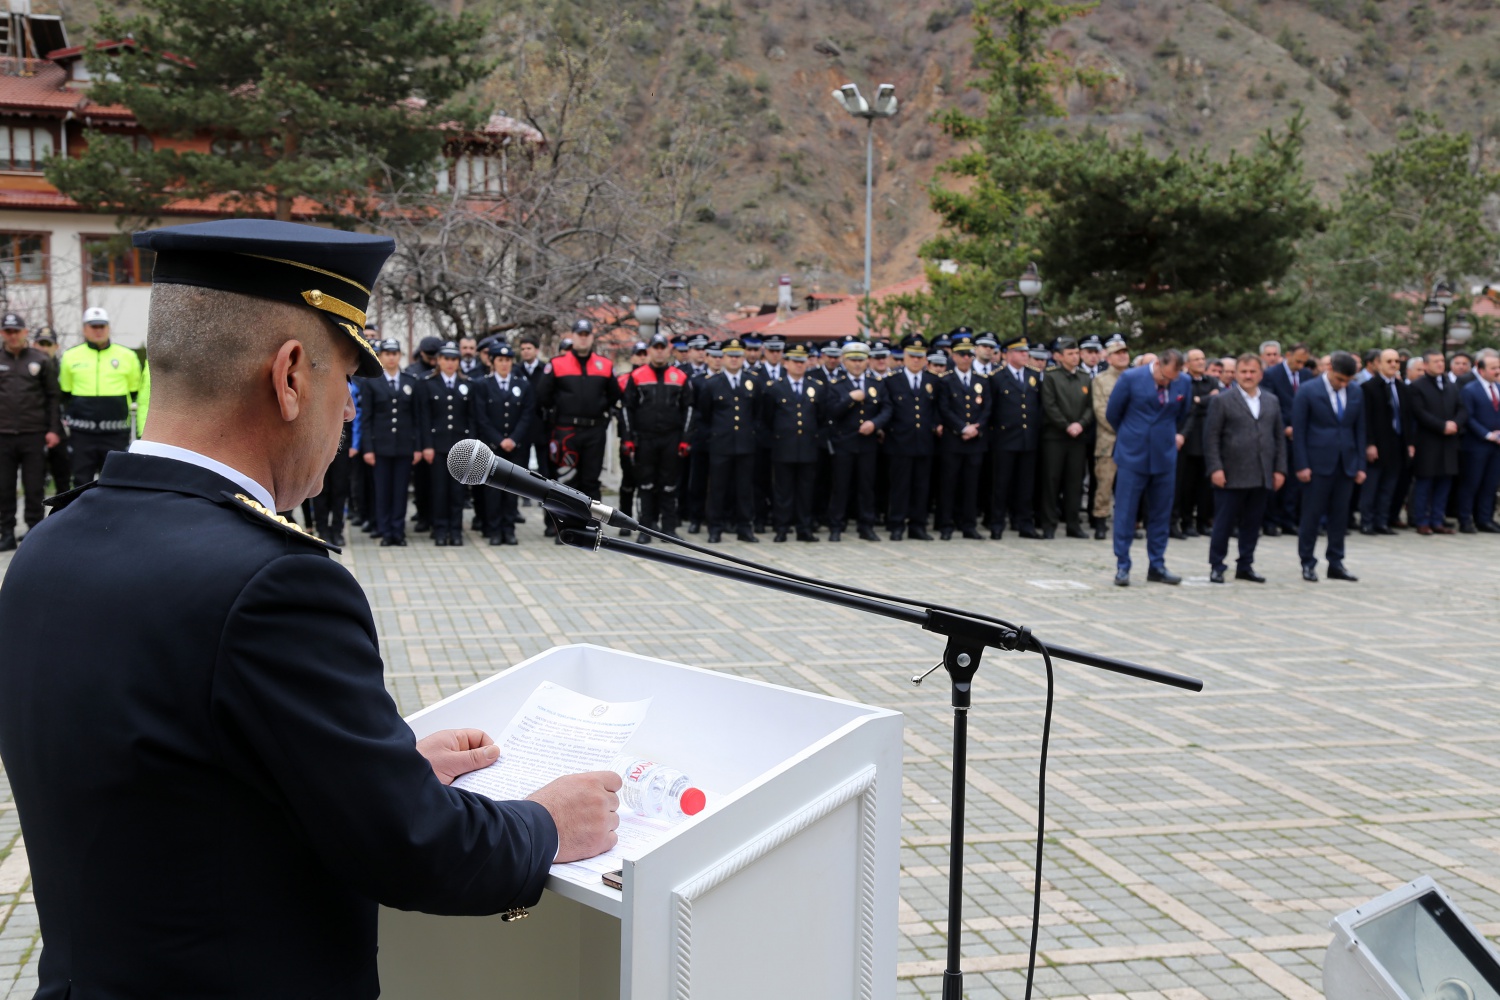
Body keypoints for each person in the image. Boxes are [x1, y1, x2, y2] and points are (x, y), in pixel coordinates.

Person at [0, 218, 620, 999]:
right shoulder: (274, 584)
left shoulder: (51, 545)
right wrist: (548, 822)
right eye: (346, 383)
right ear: (291, 375)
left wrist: (381, 771)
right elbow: (415, 849)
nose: (347, 415)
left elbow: (173, 777)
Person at [1105, 348, 1191, 586]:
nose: (1167, 382)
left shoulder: (1183, 382)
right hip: (1133, 454)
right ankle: (1123, 566)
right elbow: (1113, 413)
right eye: (1164, 377)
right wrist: (1132, 434)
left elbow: (1182, 414)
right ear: (1158, 364)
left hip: (1164, 455)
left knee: (1161, 512)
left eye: (1172, 378)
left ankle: (1157, 565)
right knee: (1126, 512)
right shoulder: (1131, 378)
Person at [531, 319, 623, 533]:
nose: (583, 338)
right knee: (565, 481)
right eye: (579, 334)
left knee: (591, 481)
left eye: (586, 334)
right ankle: (564, 527)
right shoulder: (557, 364)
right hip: (566, 431)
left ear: (592, 337)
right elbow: (543, 396)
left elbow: (614, 395)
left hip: (594, 431)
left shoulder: (605, 365)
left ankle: (592, 526)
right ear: (572, 336)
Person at [1203, 354, 1285, 584]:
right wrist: (1215, 468)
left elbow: (1278, 437)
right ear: (1236, 374)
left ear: (1261, 374)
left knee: (1252, 523)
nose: (1248, 376)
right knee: (1224, 522)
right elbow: (1211, 437)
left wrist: (1280, 469)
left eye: (1252, 371)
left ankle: (1245, 565)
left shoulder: (1271, 400)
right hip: (1231, 473)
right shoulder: (1222, 400)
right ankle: (1217, 565)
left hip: (1261, 473)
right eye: (1244, 372)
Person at [1292, 351, 1366, 582]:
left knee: (1340, 517)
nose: (1343, 384)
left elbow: (1360, 430)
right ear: (1330, 369)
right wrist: (1302, 464)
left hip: (1346, 463)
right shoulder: (1308, 390)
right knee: (1311, 516)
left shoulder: (1355, 391)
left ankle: (1336, 562)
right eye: (1340, 379)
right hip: (1317, 464)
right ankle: (1307, 562)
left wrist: (1360, 465)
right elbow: (1299, 431)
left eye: (1348, 381)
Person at [57, 306, 142, 485]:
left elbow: (135, 391)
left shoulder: (127, 356)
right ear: (84, 329)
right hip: (82, 434)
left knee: (115, 482)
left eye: (102, 326)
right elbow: (65, 392)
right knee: (81, 482)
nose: (98, 330)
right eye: (93, 326)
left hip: (115, 433)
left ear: (108, 328)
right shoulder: (70, 356)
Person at [621, 333, 693, 542]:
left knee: (669, 485)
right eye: (656, 347)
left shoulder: (679, 377)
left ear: (668, 350)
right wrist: (628, 438)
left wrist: (686, 438)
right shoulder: (637, 376)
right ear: (650, 350)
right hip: (645, 439)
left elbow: (689, 409)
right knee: (645, 485)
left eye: (663, 347)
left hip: (671, 438)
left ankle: (669, 529)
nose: (659, 351)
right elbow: (627, 408)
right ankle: (645, 529)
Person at [0, 313, 61, 550]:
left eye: (16, 331)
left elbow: (53, 398)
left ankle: (34, 532)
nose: (12, 335)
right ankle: (6, 533)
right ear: (3, 333)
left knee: (34, 486)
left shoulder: (40, 360)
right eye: (8, 331)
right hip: (4, 434)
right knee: (4, 487)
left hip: (34, 434)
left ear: (25, 332)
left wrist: (53, 429)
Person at [822, 341, 888, 541]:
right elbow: (831, 412)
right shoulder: (837, 384)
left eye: (861, 360)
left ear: (867, 361)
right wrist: (850, 398)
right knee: (841, 486)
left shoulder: (876, 383)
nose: (857, 364)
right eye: (852, 360)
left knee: (866, 487)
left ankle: (866, 526)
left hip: (868, 442)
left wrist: (875, 424)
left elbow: (887, 408)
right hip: (844, 442)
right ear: (844, 361)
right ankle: (836, 526)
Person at [360, 339, 422, 546]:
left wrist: (417, 447)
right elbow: (366, 419)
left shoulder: (410, 381)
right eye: (387, 353)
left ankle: (398, 531)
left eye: (395, 353)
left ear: (400, 356)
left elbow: (417, 418)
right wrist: (368, 448)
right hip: (380, 448)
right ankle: (385, 531)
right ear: (381, 356)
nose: (391, 357)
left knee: (400, 492)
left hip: (404, 447)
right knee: (383, 492)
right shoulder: (372, 383)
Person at [473, 342, 536, 545]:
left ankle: (509, 529)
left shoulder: (522, 385)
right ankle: (494, 530)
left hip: (516, 447)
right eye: (500, 360)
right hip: (493, 447)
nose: (504, 364)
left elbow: (527, 415)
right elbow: (481, 417)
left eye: (508, 360)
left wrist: (513, 439)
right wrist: (499, 440)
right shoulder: (482, 385)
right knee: (492, 490)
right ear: (492, 362)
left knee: (512, 489)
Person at [699, 337, 760, 543]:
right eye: (730, 356)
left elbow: (758, 413)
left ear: (743, 358)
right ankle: (715, 528)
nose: (734, 359)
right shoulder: (712, 383)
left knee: (745, 489)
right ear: (723, 357)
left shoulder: (753, 381)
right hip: (720, 444)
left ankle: (745, 528)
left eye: (738, 356)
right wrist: (713, 437)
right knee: (717, 488)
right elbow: (704, 415)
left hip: (745, 444)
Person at [417, 342, 478, 545]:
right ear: (439, 361)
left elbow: (472, 418)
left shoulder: (468, 384)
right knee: (439, 491)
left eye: (454, 359)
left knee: (457, 492)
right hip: (437, 446)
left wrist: (472, 445)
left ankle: (456, 531)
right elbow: (424, 418)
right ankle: (440, 530)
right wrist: (427, 445)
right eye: (446, 359)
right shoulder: (428, 383)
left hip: (460, 448)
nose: (450, 363)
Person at [762, 343, 822, 541]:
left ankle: (804, 529)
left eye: (802, 361)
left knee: (806, 491)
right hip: (783, 447)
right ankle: (782, 528)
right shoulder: (775, 388)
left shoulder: (816, 387)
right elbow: (767, 418)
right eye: (795, 361)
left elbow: (821, 417)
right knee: (783, 491)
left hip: (807, 447)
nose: (799, 365)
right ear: (786, 363)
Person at [1037, 336, 1093, 539]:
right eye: (1070, 354)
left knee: (1075, 482)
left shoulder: (1085, 377)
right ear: (1059, 357)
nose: (1075, 357)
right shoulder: (1051, 376)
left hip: (1078, 437)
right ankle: (1049, 524)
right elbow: (1049, 405)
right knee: (1051, 481)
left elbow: (1090, 406)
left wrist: (1081, 424)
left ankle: (1073, 524)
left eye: (1077, 353)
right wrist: (1066, 425)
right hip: (1055, 437)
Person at [936, 332, 989, 540]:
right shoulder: (945, 380)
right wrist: (962, 428)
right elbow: (944, 408)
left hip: (975, 441)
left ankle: (969, 525)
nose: (966, 358)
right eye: (962, 354)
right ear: (954, 357)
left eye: (969, 354)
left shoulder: (981, 380)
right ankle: (946, 525)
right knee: (949, 485)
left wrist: (977, 427)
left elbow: (988, 408)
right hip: (953, 440)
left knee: (971, 486)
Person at [1358, 349, 1414, 536]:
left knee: (1389, 486)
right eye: (1389, 361)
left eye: (1396, 361)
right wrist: (1369, 443)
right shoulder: (1369, 387)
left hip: (1397, 444)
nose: (1393, 364)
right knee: (1372, 486)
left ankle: (1382, 521)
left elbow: (1407, 417)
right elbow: (1366, 418)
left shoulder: (1402, 388)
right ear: (1378, 364)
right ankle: (1367, 522)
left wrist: (1409, 443)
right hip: (1378, 444)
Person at [1408, 349, 1461, 535]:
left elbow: (1462, 408)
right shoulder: (1417, 386)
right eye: (1435, 361)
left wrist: (1455, 423)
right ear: (1425, 365)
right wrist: (1442, 426)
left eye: (1442, 361)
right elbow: (1419, 412)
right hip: (1428, 441)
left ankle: (1437, 520)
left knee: (1444, 482)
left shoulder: (1450, 385)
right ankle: (1421, 520)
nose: (1440, 364)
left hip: (1449, 442)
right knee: (1425, 482)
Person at [1261, 340, 1310, 534]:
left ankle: (1289, 520)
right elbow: (1270, 404)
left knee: (1294, 482)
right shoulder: (1271, 374)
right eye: (1298, 361)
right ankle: (1271, 521)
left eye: (1304, 362)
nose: (1300, 365)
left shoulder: (1306, 375)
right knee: (1277, 478)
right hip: (1278, 435)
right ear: (1288, 356)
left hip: (1300, 436)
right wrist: (1284, 428)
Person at [1172, 348, 1218, 539]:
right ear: (1187, 364)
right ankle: (1185, 522)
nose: (1200, 362)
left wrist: (1200, 401)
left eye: (1202, 358)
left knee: (1205, 485)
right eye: (1196, 359)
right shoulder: (1183, 381)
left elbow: (1217, 402)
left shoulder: (1211, 381)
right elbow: (1188, 406)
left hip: (1208, 436)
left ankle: (1202, 522)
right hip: (1188, 438)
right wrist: (1205, 400)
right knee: (1186, 485)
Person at [1090, 335, 1130, 540]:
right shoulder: (1100, 380)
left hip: (1132, 442)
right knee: (1105, 483)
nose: (1122, 356)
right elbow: (1100, 410)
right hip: (1109, 440)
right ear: (1109, 358)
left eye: (1125, 352)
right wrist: (1124, 429)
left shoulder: (1136, 377)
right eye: (1118, 353)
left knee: (1128, 486)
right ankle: (1100, 521)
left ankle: (1125, 523)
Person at [1457, 350, 1500, 532]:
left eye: (1498, 367)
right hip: (1476, 445)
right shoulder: (1470, 390)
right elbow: (1468, 417)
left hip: (1496, 446)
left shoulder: (1498, 388)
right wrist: (1487, 434)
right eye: (1493, 368)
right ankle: (1465, 519)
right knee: (1471, 483)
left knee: (1490, 484)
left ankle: (1485, 519)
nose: (1497, 371)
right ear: (1481, 370)